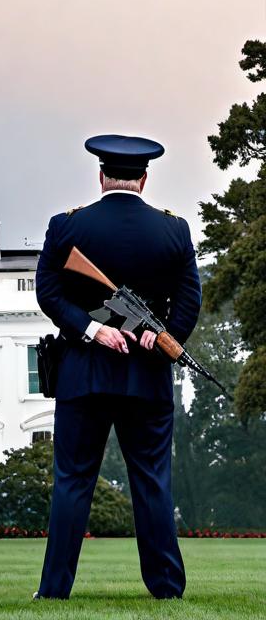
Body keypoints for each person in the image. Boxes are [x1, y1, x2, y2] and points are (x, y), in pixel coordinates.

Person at [34, 135, 201, 600]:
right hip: (146, 377)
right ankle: (167, 588)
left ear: (100, 175)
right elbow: (190, 301)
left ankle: (53, 591)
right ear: (144, 179)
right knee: (151, 481)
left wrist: (90, 330)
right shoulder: (174, 230)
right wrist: (162, 336)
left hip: (83, 375)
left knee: (71, 482)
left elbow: (48, 292)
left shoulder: (66, 225)